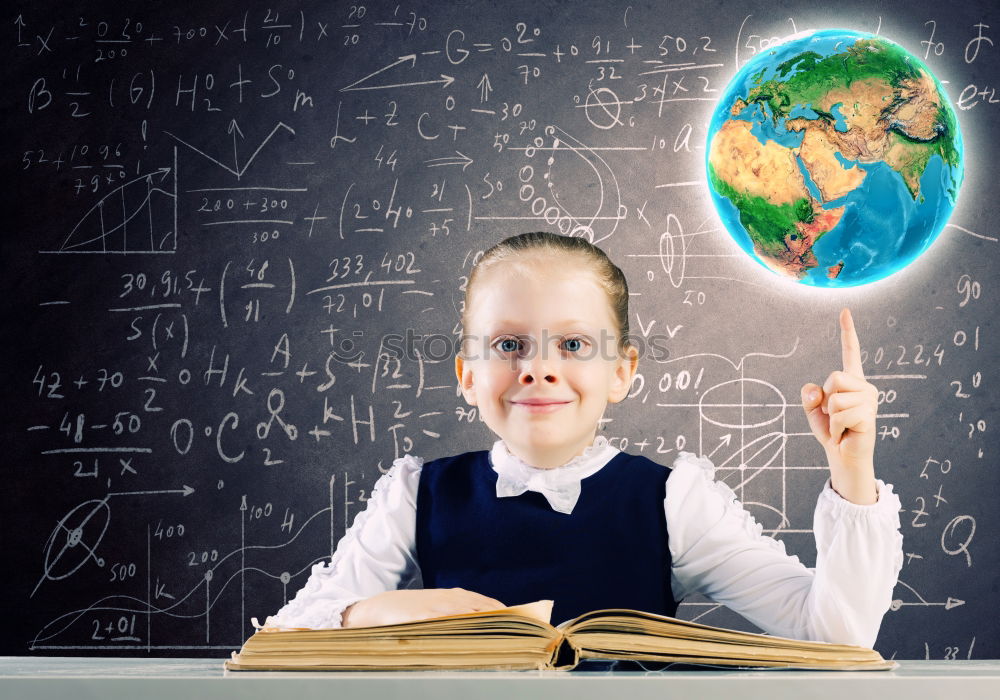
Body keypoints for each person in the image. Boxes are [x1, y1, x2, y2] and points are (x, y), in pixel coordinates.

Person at [262, 231, 904, 648]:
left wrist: (853, 472)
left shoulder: (673, 501)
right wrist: (411, 611)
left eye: (572, 344)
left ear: (622, 371)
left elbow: (837, 635)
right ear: (466, 374)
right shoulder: (414, 495)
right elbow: (288, 636)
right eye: (508, 345)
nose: (538, 368)